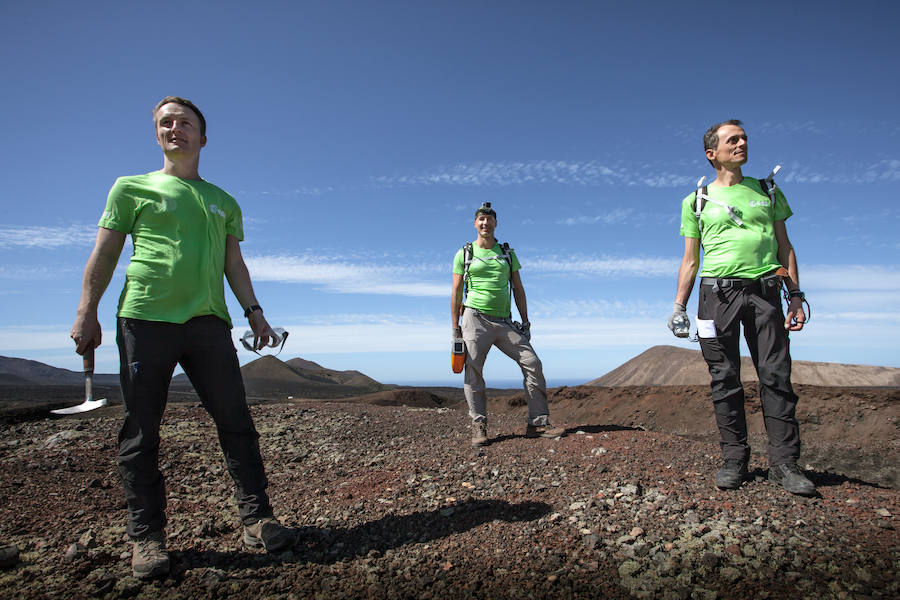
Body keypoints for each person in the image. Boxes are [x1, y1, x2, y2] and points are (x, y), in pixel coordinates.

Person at [70, 96, 295, 579]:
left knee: (236, 421)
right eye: (166, 123)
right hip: (144, 320)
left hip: (209, 323)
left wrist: (255, 313)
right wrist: (86, 310)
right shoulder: (130, 188)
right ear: (157, 134)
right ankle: (146, 538)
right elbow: (104, 255)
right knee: (141, 429)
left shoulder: (224, 200)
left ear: (202, 137)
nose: (175, 129)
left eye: (185, 123)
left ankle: (257, 520)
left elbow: (233, 263)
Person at [668, 119, 815, 496]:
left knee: (776, 376)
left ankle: (784, 463)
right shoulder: (695, 201)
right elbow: (690, 259)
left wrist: (794, 294)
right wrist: (678, 306)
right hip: (715, 297)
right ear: (711, 153)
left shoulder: (767, 191)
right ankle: (735, 458)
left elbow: (785, 246)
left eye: (744, 138)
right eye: (733, 139)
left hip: (765, 292)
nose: (742, 143)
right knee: (724, 378)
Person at [451, 202, 565, 447]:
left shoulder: (507, 253)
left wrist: (525, 321)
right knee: (473, 370)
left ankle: (538, 423)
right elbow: (456, 290)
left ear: (495, 224)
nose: (485, 223)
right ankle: (478, 425)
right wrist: (455, 328)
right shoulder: (465, 253)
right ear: (475, 223)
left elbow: (518, 288)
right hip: (475, 317)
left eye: (489, 219)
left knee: (532, 363)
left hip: (504, 321)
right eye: (481, 219)